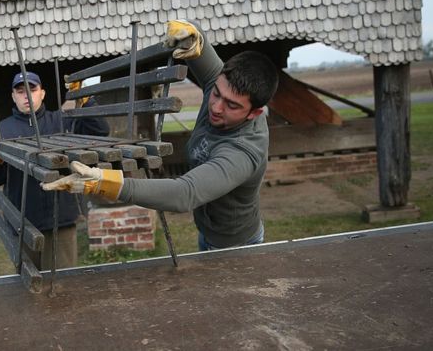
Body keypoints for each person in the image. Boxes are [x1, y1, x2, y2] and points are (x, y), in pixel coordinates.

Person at [42, 20, 279, 250]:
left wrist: (104, 182)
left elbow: (184, 193)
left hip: (236, 245)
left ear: (254, 113)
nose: (216, 107)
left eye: (232, 106)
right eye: (216, 93)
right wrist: (192, 34)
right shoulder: (220, 86)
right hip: (208, 232)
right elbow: (198, 45)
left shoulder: (243, 151)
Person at [0, 71, 109, 269]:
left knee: (65, 286)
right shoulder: (0, 132)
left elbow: (100, 132)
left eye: (32, 90)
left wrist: (87, 101)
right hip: (22, 222)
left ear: (42, 93)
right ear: (13, 96)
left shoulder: (63, 121)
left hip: (62, 219)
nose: (26, 96)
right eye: (20, 91)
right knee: (29, 286)